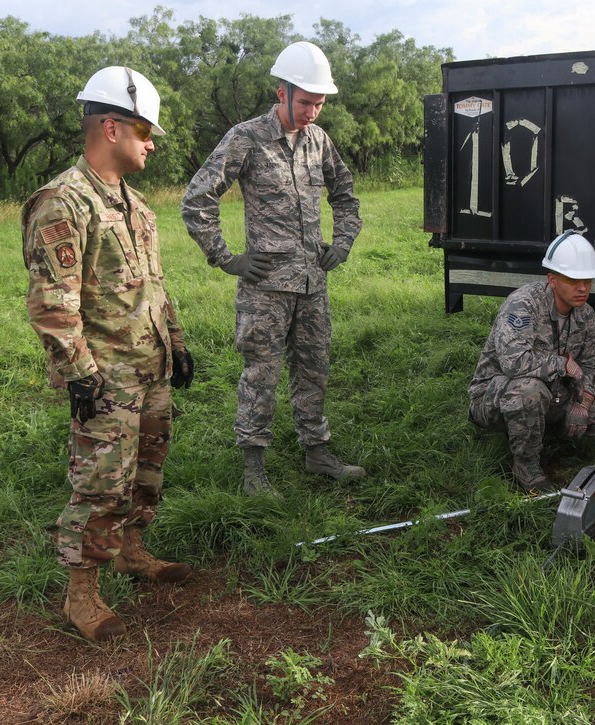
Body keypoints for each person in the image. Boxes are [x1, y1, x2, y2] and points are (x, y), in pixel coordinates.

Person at [22, 66, 194, 643]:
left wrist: (179, 341)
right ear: (112, 128)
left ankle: (132, 552)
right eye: (146, 132)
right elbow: (53, 303)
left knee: (147, 472)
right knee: (99, 486)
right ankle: (81, 595)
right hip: (106, 377)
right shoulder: (64, 203)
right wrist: (80, 375)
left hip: (152, 368)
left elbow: (155, 283)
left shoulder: (137, 206)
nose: (151, 143)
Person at [181, 42, 364, 496]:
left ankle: (317, 453)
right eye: (305, 102)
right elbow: (197, 198)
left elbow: (346, 195)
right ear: (280, 92)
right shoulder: (246, 137)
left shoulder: (319, 140)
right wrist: (226, 258)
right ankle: (253, 471)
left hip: (312, 285)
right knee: (260, 375)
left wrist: (341, 244)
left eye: (319, 103)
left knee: (314, 368)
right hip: (265, 288)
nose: (312, 112)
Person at [468, 231, 595, 492]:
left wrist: (582, 403)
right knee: (530, 390)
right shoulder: (522, 305)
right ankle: (526, 463)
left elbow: (588, 365)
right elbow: (514, 364)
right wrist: (560, 364)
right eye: (573, 280)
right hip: (497, 396)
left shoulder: (587, 316)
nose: (583, 288)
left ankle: (540, 430)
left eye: (588, 280)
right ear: (552, 280)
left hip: (555, 395)